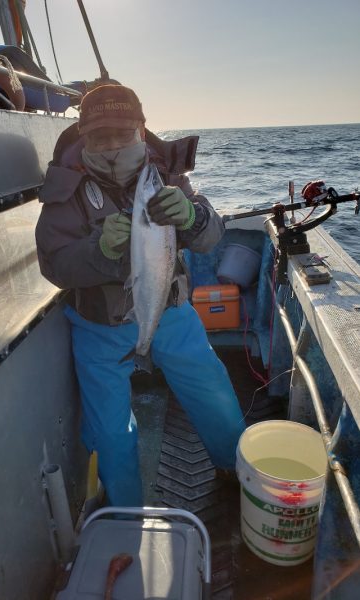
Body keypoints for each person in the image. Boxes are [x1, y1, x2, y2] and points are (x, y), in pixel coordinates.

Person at [35, 84, 246, 506]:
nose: (111, 145)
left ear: (141, 130)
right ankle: (126, 513)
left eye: (122, 134)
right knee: (111, 432)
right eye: (99, 137)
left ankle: (237, 473)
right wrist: (100, 250)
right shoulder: (65, 188)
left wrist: (193, 216)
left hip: (170, 314)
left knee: (214, 394)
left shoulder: (165, 174)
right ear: (82, 135)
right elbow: (54, 265)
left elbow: (210, 236)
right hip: (98, 326)